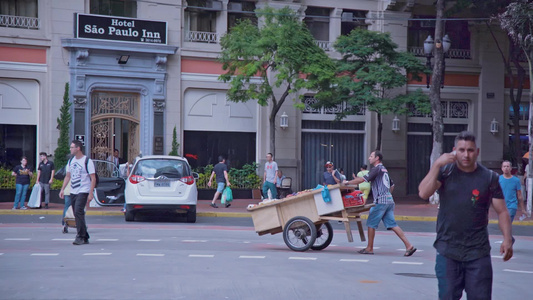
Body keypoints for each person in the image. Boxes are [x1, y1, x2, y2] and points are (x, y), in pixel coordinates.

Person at [418, 131, 513, 300]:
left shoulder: (489, 177)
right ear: (454, 151)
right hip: (448, 250)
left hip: (478, 252)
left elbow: (502, 211)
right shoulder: (445, 172)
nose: (466, 155)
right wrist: (436, 166)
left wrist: (507, 239)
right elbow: (424, 193)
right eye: (461, 150)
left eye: (470, 150)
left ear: (477, 152)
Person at [344, 151, 416, 257]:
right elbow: (392, 185)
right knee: (392, 224)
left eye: (371, 156)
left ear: (377, 158)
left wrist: (347, 182)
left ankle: (369, 248)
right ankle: (409, 246)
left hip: (380, 202)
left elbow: (362, 180)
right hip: (389, 201)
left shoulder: (377, 169)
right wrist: (387, 196)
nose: (369, 158)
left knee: (371, 224)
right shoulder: (384, 170)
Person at [59, 140, 97, 245]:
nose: (70, 149)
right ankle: (85, 235)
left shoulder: (87, 161)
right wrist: (62, 189)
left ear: (78, 148)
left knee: (78, 211)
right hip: (73, 190)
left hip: (83, 190)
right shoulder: (71, 161)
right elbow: (68, 176)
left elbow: (93, 178)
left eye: (72, 147)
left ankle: (80, 236)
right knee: (77, 213)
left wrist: (91, 192)